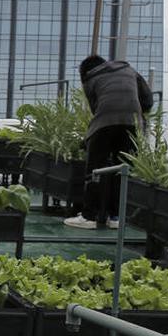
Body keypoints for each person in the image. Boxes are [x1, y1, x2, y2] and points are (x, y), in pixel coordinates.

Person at [64, 54, 154, 230]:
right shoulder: (129, 70)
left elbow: (96, 109)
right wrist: (133, 112)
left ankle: (89, 216)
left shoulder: (90, 79)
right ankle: (116, 217)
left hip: (104, 122)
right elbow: (148, 100)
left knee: (95, 169)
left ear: (85, 72)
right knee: (123, 169)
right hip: (132, 123)